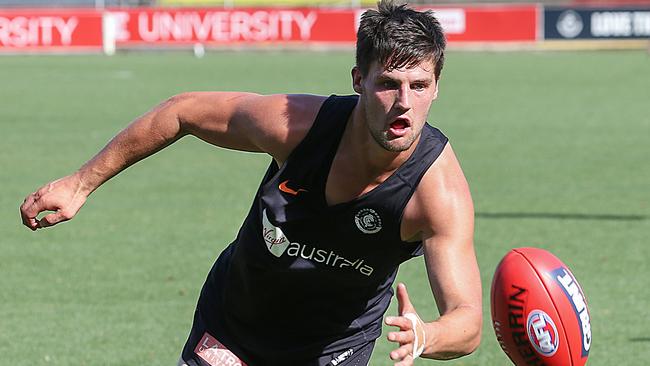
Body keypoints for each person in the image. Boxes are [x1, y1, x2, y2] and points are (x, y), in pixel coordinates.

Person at [20, 1, 482, 365]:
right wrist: (80, 184)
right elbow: (182, 111)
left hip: (332, 349)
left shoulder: (436, 192)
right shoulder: (296, 127)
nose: (404, 102)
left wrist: (429, 334)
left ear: (436, 87)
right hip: (234, 323)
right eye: (389, 83)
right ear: (359, 80)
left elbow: (468, 322)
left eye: (419, 86)